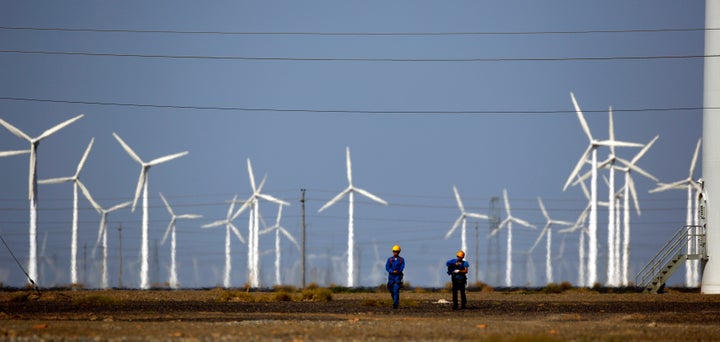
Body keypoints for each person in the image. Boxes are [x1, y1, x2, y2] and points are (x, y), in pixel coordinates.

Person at [385, 244, 405, 309]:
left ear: (399, 252)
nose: (395, 252)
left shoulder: (401, 260)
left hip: (398, 277)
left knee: (396, 290)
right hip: (391, 277)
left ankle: (395, 304)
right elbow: (387, 267)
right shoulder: (390, 259)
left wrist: (397, 271)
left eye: (396, 251)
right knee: (391, 289)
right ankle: (395, 300)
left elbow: (402, 267)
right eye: (394, 251)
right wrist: (392, 271)